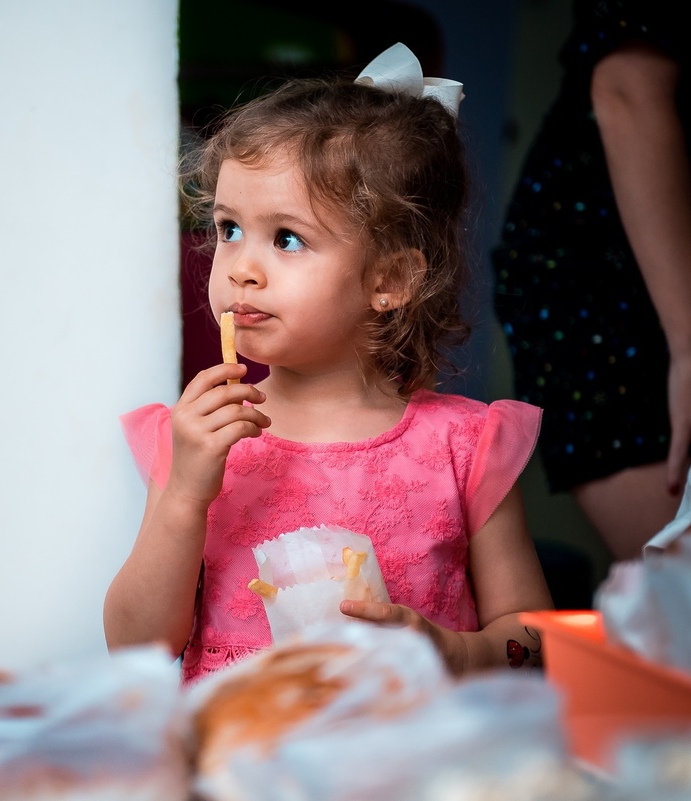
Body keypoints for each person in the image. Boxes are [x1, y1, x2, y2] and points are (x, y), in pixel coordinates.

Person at [103, 43, 554, 685]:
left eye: (287, 238)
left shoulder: (466, 448)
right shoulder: (194, 440)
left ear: (389, 280)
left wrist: (455, 653)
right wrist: (183, 496)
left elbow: (538, 643)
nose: (241, 268)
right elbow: (135, 647)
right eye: (229, 228)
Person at [492, 0, 691, 563]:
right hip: (606, 277)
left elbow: (517, 631)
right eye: (226, 227)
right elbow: (628, 85)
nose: (242, 269)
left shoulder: (457, 441)